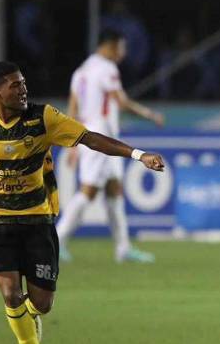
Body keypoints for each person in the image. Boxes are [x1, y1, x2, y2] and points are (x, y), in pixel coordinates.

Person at [0, 61, 166, 344]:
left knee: (42, 303)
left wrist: (138, 154)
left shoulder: (43, 118)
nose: (23, 90)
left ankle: (32, 316)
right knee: (9, 293)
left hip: (37, 219)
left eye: (23, 83)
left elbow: (90, 138)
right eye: (14, 86)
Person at [55, 29, 165, 263]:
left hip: (88, 135)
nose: (123, 54)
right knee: (89, 191)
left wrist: (72, 144)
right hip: (101, 138)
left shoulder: (81, 71)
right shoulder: (107, 69)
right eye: (121, 48)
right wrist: (150, 115)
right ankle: (56, 240)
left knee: (114, 189)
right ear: (110, 46)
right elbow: (121, 101)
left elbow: (72, 108)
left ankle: (123, 248)